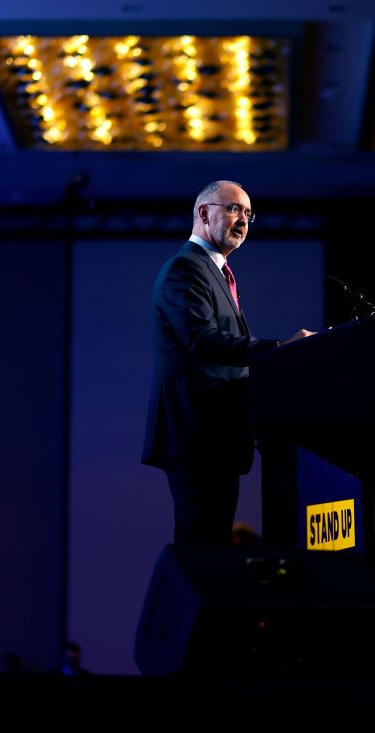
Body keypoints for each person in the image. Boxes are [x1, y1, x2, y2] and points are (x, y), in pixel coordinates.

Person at [142, 180, 314, 545]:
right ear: (204, 213)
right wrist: (281, 349)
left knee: (213, 548)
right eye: (234, 209)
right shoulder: (184, 269)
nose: (244, 220)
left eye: (249, 214)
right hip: (197, 435)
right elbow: (202, 340)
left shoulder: (214, 271)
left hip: (218, 437)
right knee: (202, 552)